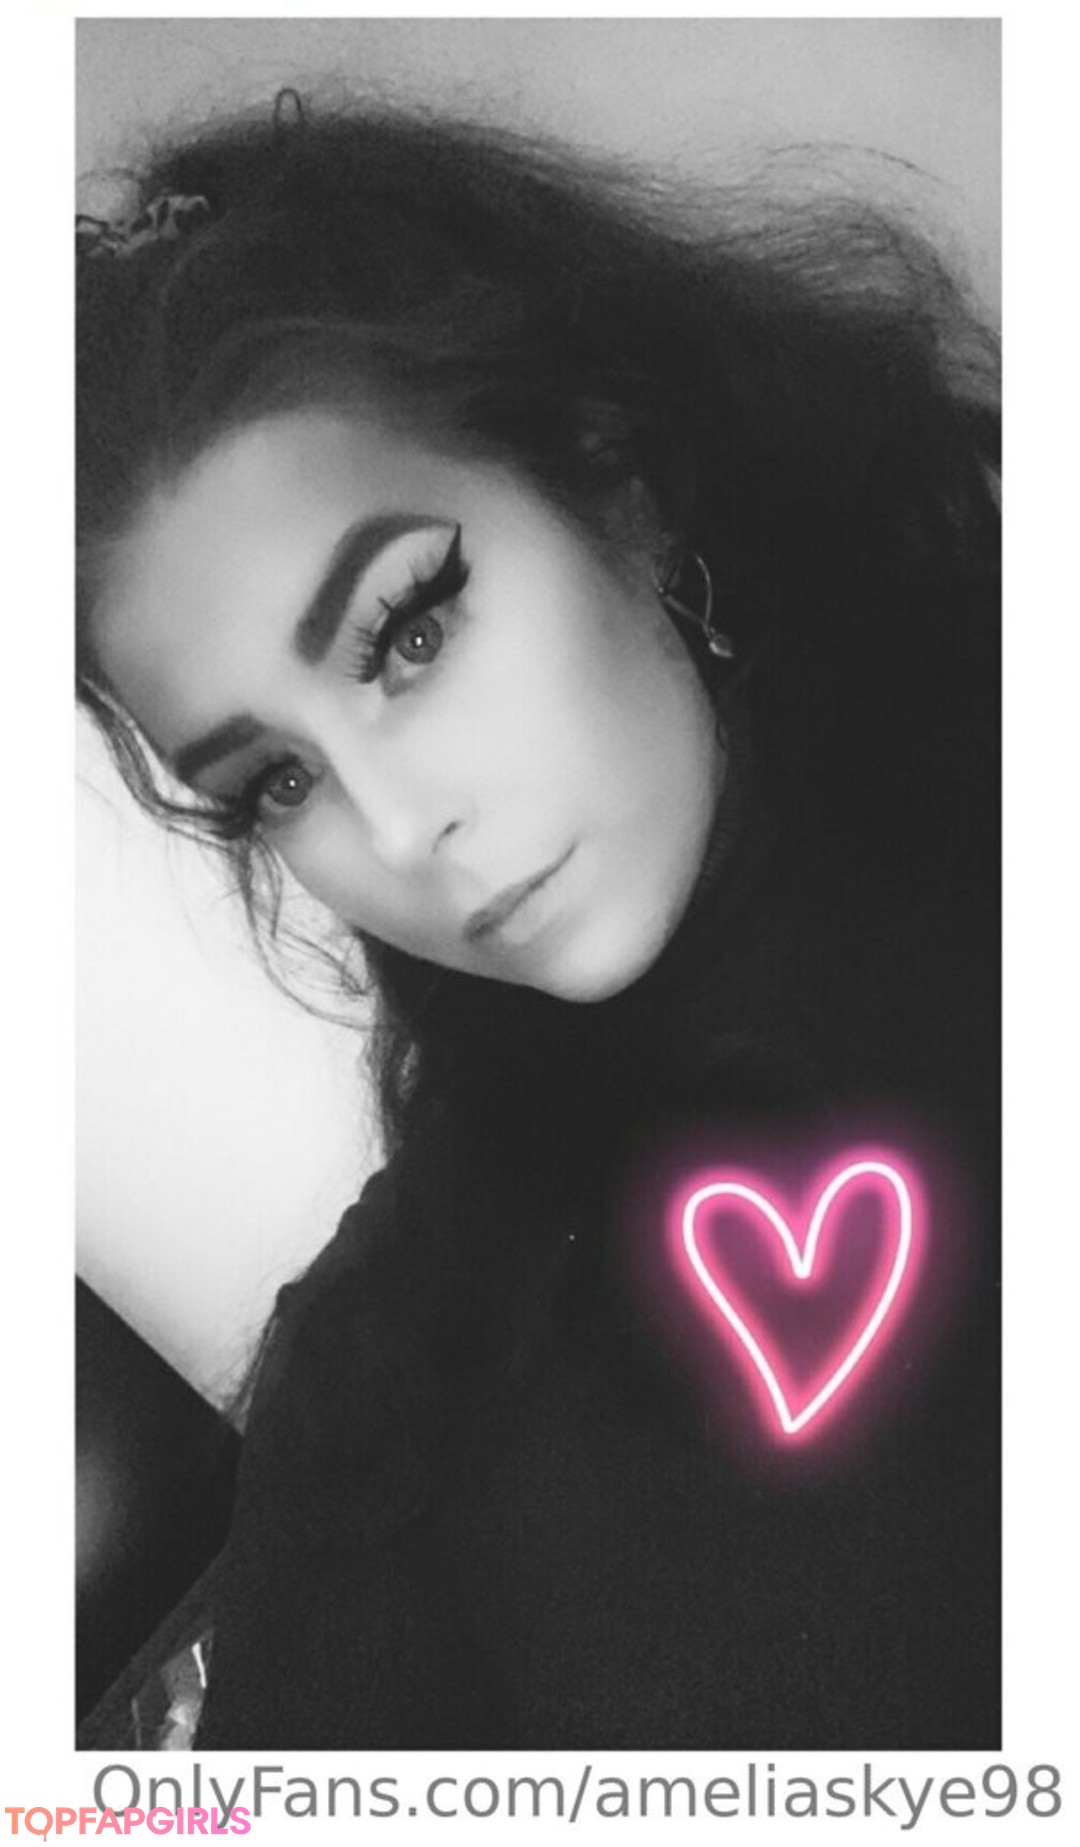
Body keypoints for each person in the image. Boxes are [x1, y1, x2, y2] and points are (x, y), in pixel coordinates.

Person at [76, 94, 1000, 1749]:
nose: (395, 830)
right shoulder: (393, 1361)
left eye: (409, 633)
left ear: (615, 478)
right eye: (275, 781)